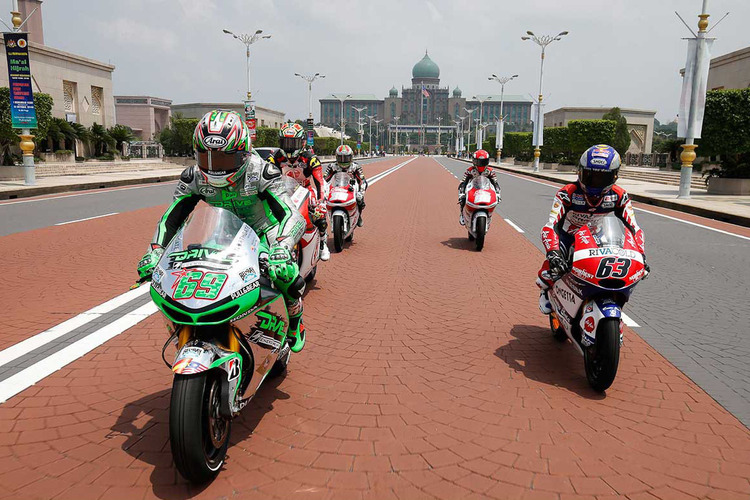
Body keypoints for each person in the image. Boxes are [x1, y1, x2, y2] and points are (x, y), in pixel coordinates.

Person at [136, 110, 308, 352]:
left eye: (224, 160)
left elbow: (291, 215)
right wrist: (154, 251)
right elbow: (171, 218)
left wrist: (282, 246)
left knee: (284, 273)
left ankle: (295, 321)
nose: (214, 167)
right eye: (206, 159)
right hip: (222, 231)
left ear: (244, 154)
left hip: (263, 231)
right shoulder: (193, 176)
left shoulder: (261, 171)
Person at [537, 144, 646, 314]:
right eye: (590, 175)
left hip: (602, 239)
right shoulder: (566, 193)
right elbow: (550, 226)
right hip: (569, 237)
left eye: (602, 178)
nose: (595, 182)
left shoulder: (620, 196)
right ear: (580, 172)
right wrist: (553, 252)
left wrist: (641, 253)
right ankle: (547, 292)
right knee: (547, 275)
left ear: (615, 176)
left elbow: (634, 228)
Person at [272, 122, 330, 261]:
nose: (289, 147)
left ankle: (323, 242)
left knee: (319, 214)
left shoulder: (310, 159)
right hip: (284, 191)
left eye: (293, 143)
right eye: (286, 143)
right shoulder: (275, 157)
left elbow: (319, 182)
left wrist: (321, 201)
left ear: (302, 142)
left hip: (305, 190)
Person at [324, 144, 367, 226]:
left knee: (360, 201)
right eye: (341, 158)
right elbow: (324, 179)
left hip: (351, 188)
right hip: (337, 187)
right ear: (337, 157)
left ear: (351, 157)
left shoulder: (356, 167)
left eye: (346, 158)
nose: (343, 161)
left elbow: (362, 180)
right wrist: (324, 191)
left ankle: (359, 216)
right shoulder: (332, 166)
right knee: (325, 202)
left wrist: (360, 193)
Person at [458, 149, 501, 225]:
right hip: (473, 189)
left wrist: (497, 193)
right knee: (463, 199)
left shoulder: (490, 171)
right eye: (478, 162)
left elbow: (495, 183)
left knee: (494, 201)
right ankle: (462, 214)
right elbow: (464, 182)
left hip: (485, 190)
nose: (481, 164)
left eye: (483, 162)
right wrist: (462, 192)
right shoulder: (470, 170)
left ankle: (489, 214)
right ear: (474, 161)